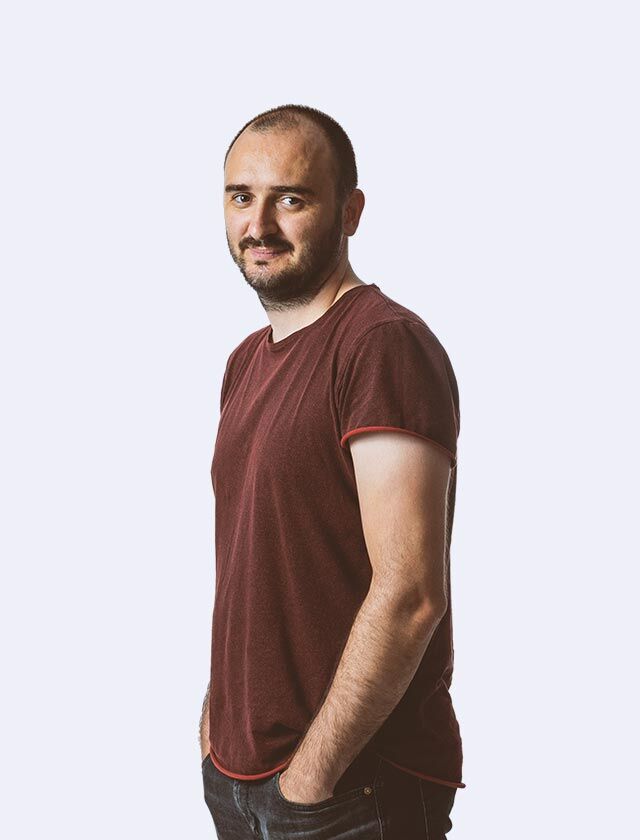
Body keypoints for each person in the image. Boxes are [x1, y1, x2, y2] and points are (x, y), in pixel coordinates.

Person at [199, 104, 465, 839]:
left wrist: (312, 777)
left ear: (350, 212)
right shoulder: (246, 362)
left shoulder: (382, 345)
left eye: (291, 198)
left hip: (351, 791)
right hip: (241, 782)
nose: (259, 224)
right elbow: (254, 566)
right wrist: (217, 732)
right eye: (241, 196)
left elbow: (410, 593)